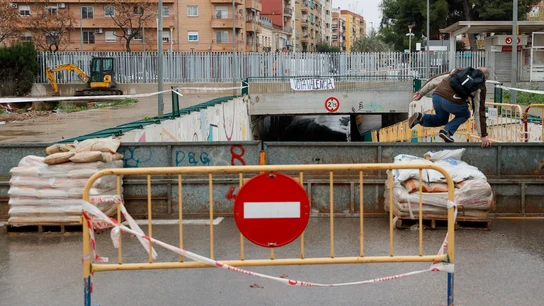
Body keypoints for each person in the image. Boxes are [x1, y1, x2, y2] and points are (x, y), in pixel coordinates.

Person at [410, 67, 492, 148]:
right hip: (451, 102)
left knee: (441, 119)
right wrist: (483, 135)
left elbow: (436, 79)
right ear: (485, 79)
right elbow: (479, 111)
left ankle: (421, 118)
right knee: (465, 114)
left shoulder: (459, 71)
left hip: (436, 97)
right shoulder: (480, 85)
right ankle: (447, 131)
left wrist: (421, 92)